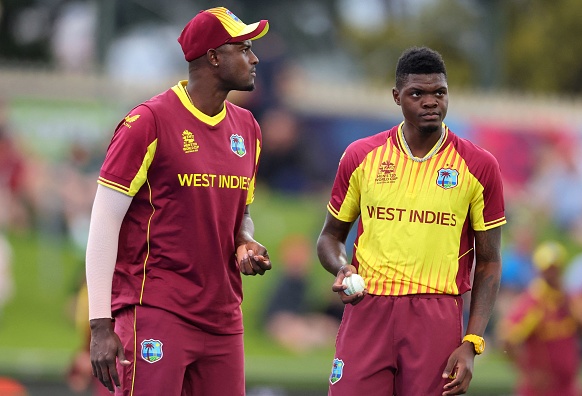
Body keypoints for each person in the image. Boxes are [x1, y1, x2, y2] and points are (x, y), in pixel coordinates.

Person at [85, 7, 272, 396]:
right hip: (156, 310)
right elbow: (104, 222)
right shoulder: (148, 122)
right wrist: (100, 325)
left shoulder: (248, 128)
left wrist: (245, 242)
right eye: (244, 48)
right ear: (214, 56)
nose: (254, 59)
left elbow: (243, 213)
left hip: (224, 317)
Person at [317, 46, 506, 396]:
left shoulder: (479, 166)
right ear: (396, 97)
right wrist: (341, 268)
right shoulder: (361, 156)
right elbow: (329, 237)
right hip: (368, 307)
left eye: (440, 92)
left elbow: (490, 262)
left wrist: (473, 340)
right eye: (417, 93)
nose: (431, 101)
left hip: (435, 314)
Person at [499, 241, 582, 396]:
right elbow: (506, 340)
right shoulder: (533, 301)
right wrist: (526, 370)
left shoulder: (571, 298)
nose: (553, 273)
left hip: (569, 386)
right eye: (549, 269)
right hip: (539, 390)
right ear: (540, 271)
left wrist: (570, 307)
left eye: (556, 268)